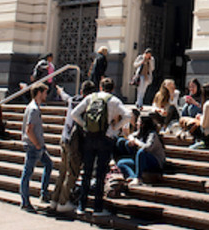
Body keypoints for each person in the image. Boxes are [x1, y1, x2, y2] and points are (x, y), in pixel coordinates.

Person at [71, 77, 130, 217]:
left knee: (86, 172)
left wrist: (85, 125)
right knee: (100, 174)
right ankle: (97, 208)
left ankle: (81, 206)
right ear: (113, 88)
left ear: (100, 87)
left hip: (89, 138)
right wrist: (115, 128)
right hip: (105, 139)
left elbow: (74, 114)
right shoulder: (114, 100)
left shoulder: (91, 97)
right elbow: (127, 115)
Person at [51, 80, 97, 213]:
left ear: (81, 91)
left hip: (64, 138)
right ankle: (63, 202)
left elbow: (66, 97)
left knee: (62, 172)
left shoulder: (73, 101)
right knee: (72, 173)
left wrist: (60, 91)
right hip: (74, 143)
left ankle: (54, 200)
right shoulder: (86, 105)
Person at [20, 84, 53, 213]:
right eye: (45, 93)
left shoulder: (33, 107)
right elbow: (29, 130)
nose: (46, 95)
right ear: (39, 93)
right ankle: (26, 202)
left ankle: (44, 194)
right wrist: (38, 145)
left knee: (49, 164)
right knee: (27, 173)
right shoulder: (33, 109)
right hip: (34, 146)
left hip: (37, 145)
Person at [116, 112, 166, 185]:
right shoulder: (140, 132)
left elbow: (147, 148)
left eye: (139, 122)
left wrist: (136, 142)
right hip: (141, 160)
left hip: (155, 162)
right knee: (121, 163)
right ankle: (132, 177)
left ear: (143, 124)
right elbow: (131, 136)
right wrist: (131, 140)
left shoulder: (152, 134)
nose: (136, 123)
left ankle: (138, 178)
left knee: (141, 152)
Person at [184, 82, 209, 149]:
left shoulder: (208, 104)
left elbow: (204, 124)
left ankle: (200, 141)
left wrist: (200, 117)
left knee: (192, 125)